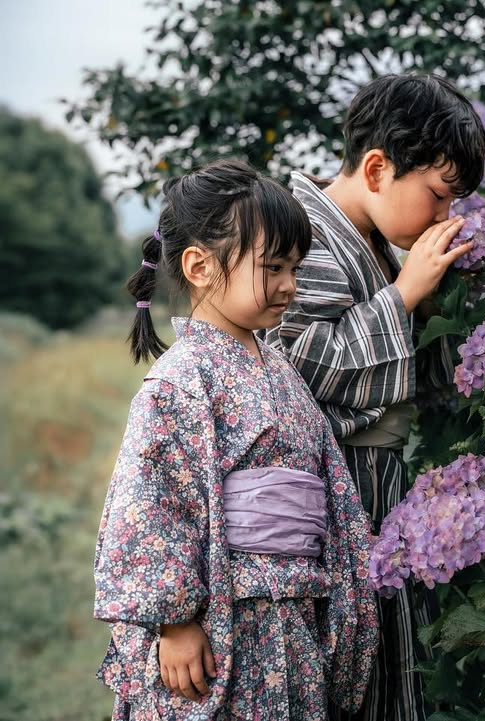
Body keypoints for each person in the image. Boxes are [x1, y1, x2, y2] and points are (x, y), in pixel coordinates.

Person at [93, 158, 379, 721]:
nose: (290, 284)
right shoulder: (181, 379)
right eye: (273, 267)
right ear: (200, 266)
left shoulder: (278, 366)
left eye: (295, 267)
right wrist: (174, 621)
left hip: (295, 611)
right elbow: (152, 501)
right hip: (225, 622)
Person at [263, 74, 485, 721]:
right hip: (335, 486)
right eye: (437, 195)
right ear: (376, 168)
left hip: (380, 482)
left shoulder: (378, 243)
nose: (443, 216)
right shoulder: (303, 237)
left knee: (393, 660)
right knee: (354, 665)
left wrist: (434, 301)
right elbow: (294, 369)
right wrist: (404, 295)